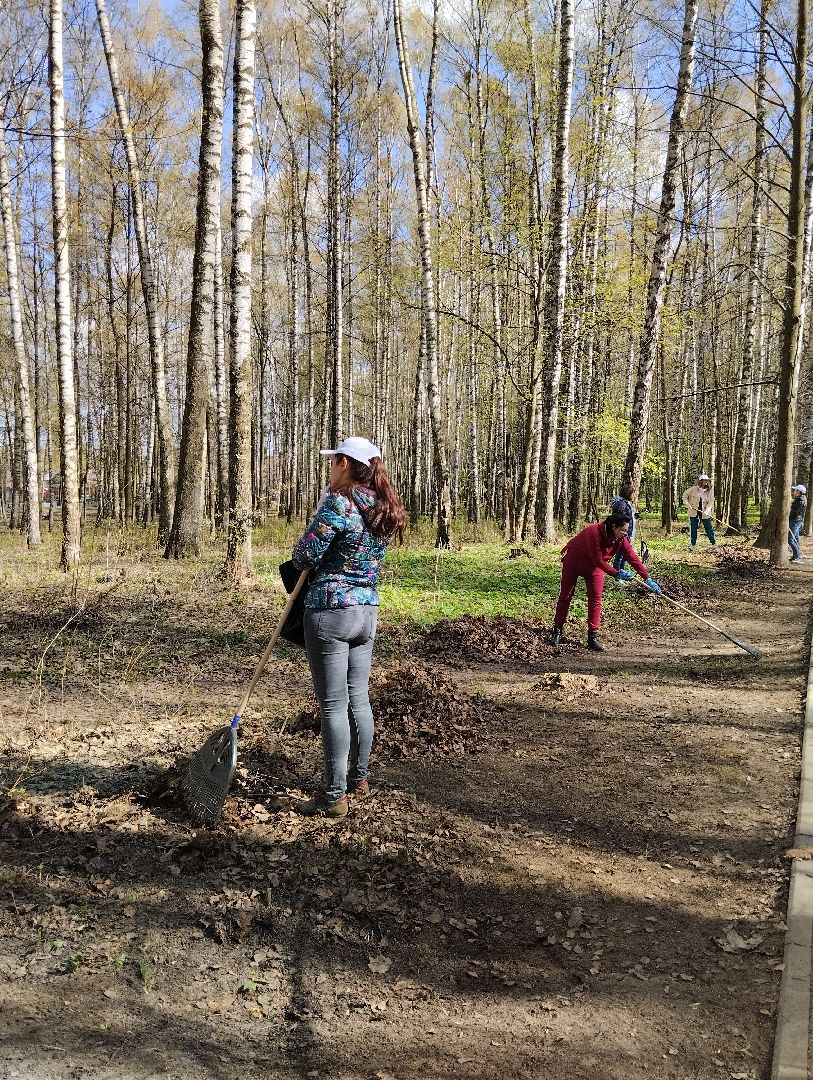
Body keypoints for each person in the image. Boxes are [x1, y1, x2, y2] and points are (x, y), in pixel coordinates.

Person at [289, 436, 406, 818]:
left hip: (330, 612)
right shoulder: (382, 507)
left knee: (333, 704)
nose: (329, 469)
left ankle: (334, 794)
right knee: (358, 697)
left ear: (344, 464)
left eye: (332, 462)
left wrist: (314, 524)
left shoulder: (339, 504)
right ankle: (359, 777)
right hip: (366, 611)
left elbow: (304, 555)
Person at [550, 511, 662, 653]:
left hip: (595, 568)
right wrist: (617, 573)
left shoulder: (620, 539)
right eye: (623, 530)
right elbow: (598, 559)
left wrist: (647, 578)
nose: (625, 533)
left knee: (596, 598)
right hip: (574, 561)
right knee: (566, 595)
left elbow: (632, 557)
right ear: (614, 527)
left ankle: (592, 637)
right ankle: (557, 631)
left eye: (627, 530)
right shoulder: (594, 533)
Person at [610, 481, 638, 576]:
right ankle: (617, 575)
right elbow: (619, 518)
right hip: (623, 533)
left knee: (624, 555)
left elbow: (627, 516)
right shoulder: (621, 504)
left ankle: (622, 572)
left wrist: (634, 515)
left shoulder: (626, 503)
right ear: (629, 493)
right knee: (620, 556)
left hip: (628, 533)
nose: (634, 495)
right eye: (633, 493)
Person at [682, 473, 716, 548]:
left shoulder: (710, 491)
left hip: (705, 513)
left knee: (708, 527)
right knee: (693, 528)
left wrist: (707, 510)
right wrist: (688, 505)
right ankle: (693, 544)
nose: (706, 482)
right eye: (704, 480)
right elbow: (684, 496)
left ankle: (713, 543)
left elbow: (711, 502)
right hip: (694, 512)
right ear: (700, 481)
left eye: (707, 480)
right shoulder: (693, 489)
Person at [789, 484, 807, 563]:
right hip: (797, 521)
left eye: (795, 490)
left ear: (799, 492)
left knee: (790, 540)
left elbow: (795, 512)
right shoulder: (800, 499)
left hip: (795, 521)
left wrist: (787, 517)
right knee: (796, 538)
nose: (794, 491)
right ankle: (795, 556)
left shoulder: (800, 500)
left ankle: (797, 557)